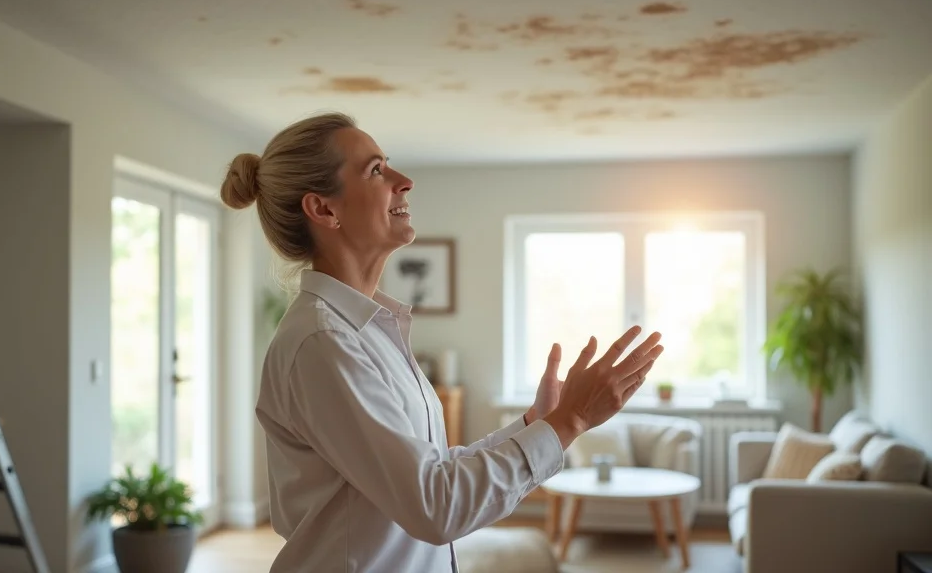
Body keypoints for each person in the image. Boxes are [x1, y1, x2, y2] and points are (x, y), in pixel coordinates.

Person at [220, 112, 664, 573]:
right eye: (376, 170)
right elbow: (434, 506)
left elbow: (431, 472)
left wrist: (538, 422)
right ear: (324, 210)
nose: (404, 181)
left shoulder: (365, 331)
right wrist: (570, 420)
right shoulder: (323, 342)